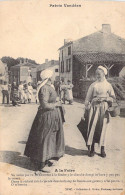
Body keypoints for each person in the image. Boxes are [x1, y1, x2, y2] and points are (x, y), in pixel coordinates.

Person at [24, 69, 65, 172]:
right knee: (45, 137)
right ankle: (41, 164)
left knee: (50, 138)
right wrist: (56, 104)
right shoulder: (45, 88)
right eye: (54, 75)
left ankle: (46, 159)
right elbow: (44, 104)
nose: (55, 76)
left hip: (51, 115)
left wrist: (56, 101)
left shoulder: (48, 87)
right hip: (46, 116)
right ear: (49, 77)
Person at [84, 66, 115, 158]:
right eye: (96, 74)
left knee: (103, 128)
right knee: (93, 127)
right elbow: (87, 98)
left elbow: (113, 98)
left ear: (104, 74)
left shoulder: (108, 85)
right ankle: (92, 148)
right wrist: (88, 104)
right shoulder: (93, 85)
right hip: (94, 108)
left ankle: (102, 149)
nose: (97, 75)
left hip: (104, 108)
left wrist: (106, 98)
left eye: (99, 74)